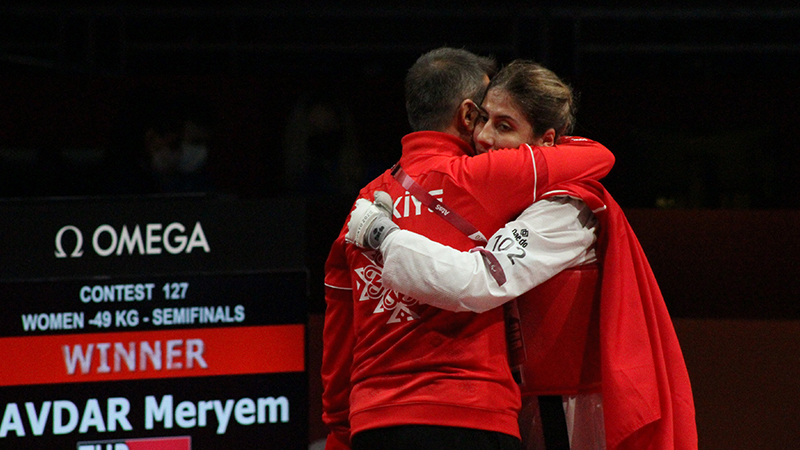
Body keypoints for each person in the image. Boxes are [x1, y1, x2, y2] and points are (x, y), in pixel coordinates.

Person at [345, 61, 697, 450]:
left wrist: (385, 236)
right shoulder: (504, 199)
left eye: (505, 126)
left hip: (571, 410)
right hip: (527, 406)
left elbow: (477, 279)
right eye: (483, 120)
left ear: (546, 143)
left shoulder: (564, 209)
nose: (484, 137)